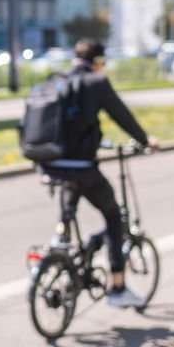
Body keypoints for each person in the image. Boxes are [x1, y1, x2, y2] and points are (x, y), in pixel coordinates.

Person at [39, 37, 159, 307]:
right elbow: (121, 114)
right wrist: (144, 140)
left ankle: (61, 239)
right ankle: (118, 287)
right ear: (98, 61)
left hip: (51, 164)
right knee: (114, 216)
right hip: (82, 167)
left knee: (71, 195)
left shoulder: (55, 80)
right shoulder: (96, 82)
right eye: (102, 63)